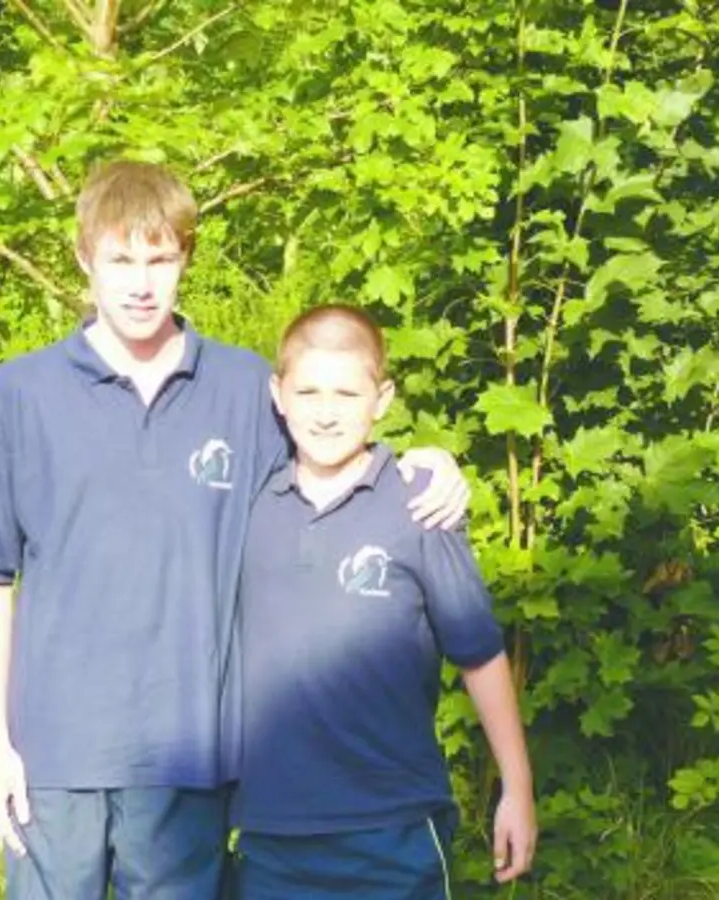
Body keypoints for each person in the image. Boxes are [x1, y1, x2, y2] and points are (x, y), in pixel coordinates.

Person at [0, 161, 471, 900]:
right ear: (82, 258)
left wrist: (426, 460)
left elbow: (334, 454)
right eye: (121, 260)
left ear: (185, 259)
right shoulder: (20, 394)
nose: (140, 283)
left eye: (160, 260)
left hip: (191, 760)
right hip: (53, 757)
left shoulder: (241, 388)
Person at [232, 304, 537, 899]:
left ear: (382, 398)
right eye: (309, 391)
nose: (325, 413)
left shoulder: (420, 502)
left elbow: (479, 654)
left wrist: (517, 787)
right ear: (278, 394)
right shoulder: (249, 503)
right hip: (274, 834)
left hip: (395, 828)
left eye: (347, 393)